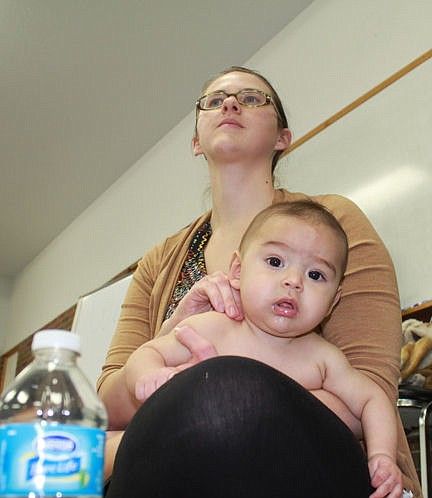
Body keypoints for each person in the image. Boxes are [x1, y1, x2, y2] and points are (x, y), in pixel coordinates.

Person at [97, 66, 419, 497]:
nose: (230, 103)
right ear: (196, 142)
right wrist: (169, 341)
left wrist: (214, 402)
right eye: (214, 100)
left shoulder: (333, 228)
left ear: (283, 137)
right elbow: (104, 408)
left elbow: (369, 393)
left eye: (252, 98)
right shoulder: (158, 263)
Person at [125, 200, 403, 498]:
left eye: (315, 275)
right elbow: (147, 353)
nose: (293, 282)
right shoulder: (213, 327)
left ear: (332, 302)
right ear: (237, 271)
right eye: (275, 262)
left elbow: (372, 398)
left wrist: (382, 456)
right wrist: (151, 374)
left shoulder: (322, 358)